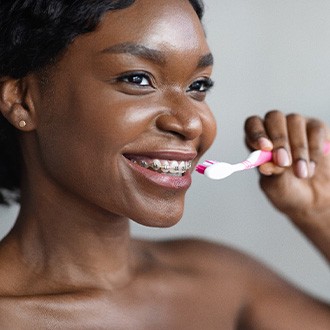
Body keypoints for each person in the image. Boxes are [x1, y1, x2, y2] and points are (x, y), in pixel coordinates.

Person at [0, 0, 329, 328]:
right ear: (23, 100)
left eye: (197, 86)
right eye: (138, 79)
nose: (191, 123)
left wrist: (319, 211)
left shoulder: (222, 284)